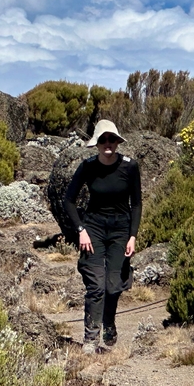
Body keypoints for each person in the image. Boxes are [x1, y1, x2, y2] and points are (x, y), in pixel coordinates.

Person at [62, 119, 142, 354]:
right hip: (93, 228)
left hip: (120, 229)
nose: (108, 144)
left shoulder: (130, 167)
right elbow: (68, 200)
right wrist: (80, 230)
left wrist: (132, 236)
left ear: (117, 142)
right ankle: (90, 338)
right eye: (103, 139)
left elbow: (136, 204)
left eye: (112, 139)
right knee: (95, 285)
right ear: (96, 143)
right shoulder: (87, 167)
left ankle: (109, 323)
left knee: (113, 285)